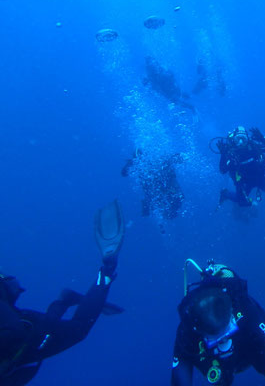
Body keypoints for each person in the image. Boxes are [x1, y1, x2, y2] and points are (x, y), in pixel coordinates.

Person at [0, 200, 125, 385]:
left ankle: (105, 273)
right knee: (74, 328)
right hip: (18, 337)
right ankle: (69, 298)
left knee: (78, 329)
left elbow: (14, 333)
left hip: (16, 342)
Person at [171, 259, 265, 386]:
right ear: (199, 331)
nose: (224, 341)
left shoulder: (244, 309)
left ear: (232, 312)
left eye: (227, 332)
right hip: (212, 359)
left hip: (246, 343)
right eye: (216, 340)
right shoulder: (187, 332)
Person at [216, 126, 265, 207]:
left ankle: (244, 198)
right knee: (241, 202)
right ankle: (225, 194)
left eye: (243, 139)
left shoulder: (253, 147)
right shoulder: (231, 152)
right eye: (238, 139)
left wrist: (262, 138)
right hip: (243, 181)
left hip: (258, 176)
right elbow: (223, 170)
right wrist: (223, 154)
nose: (241, 142)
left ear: (248, 139)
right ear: (234, 140)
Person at [121, 149, 185, 220]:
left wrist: (178, 157)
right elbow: (124, 173)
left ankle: (150, 205)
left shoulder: (158, 160)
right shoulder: (143, 166)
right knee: (158, 200)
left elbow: (124, 173)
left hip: (163, 185)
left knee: (177, 198)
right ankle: (149, 205)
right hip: (157, 188)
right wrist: (131, 163)